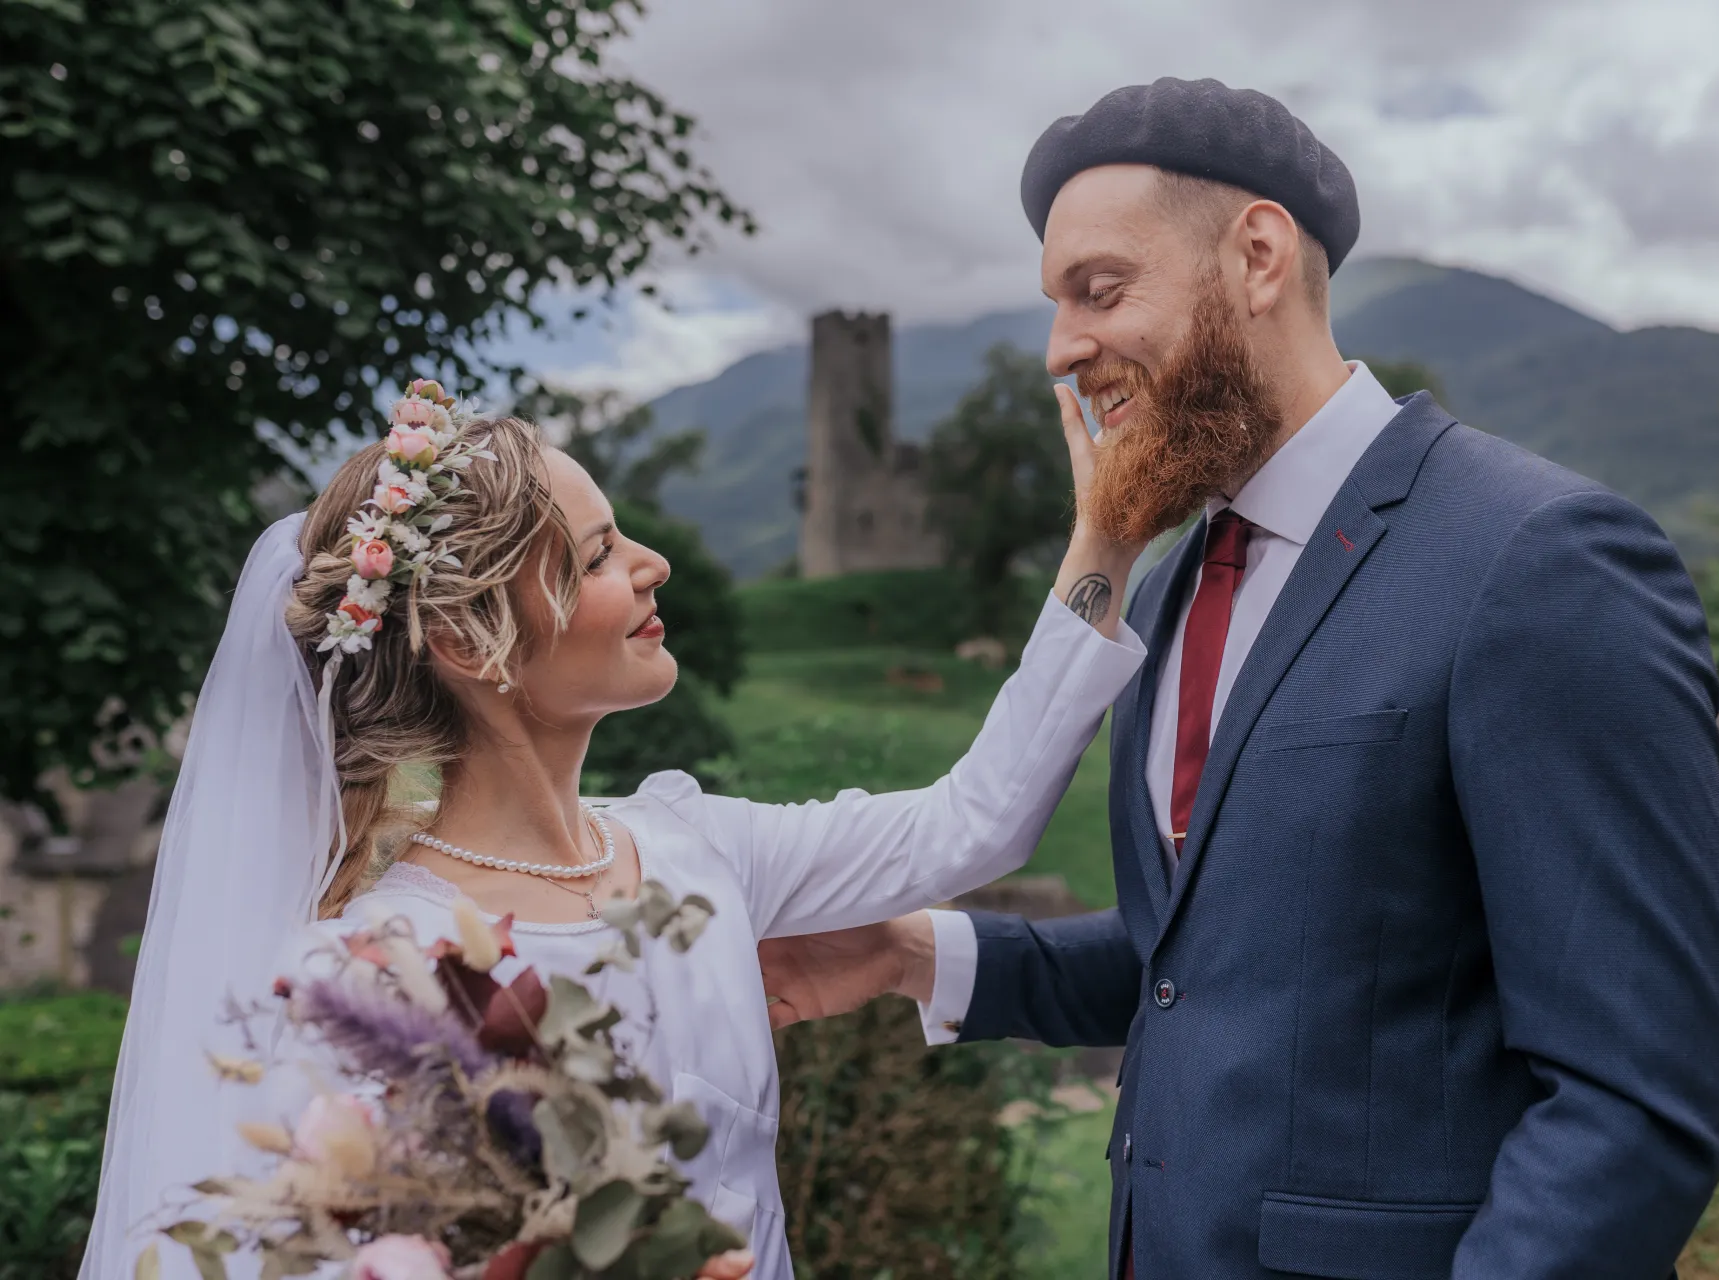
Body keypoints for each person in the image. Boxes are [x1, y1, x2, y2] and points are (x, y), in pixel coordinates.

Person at [757, 78, 1719, 1279]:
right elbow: (1206, 958)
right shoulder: (1164, 591)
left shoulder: (1540, 561)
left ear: (1259, 255)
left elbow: (1633, 1103)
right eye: (1055, 306)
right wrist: (912, 952)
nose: (1063, 350)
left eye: (1100, 290)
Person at [81, 385, 1150, 1279]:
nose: (653, 564)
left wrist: (1105, 535)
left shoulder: (697, 850)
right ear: (467, 637)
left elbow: (977, 821)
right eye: (596, 556)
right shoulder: (366, 980)